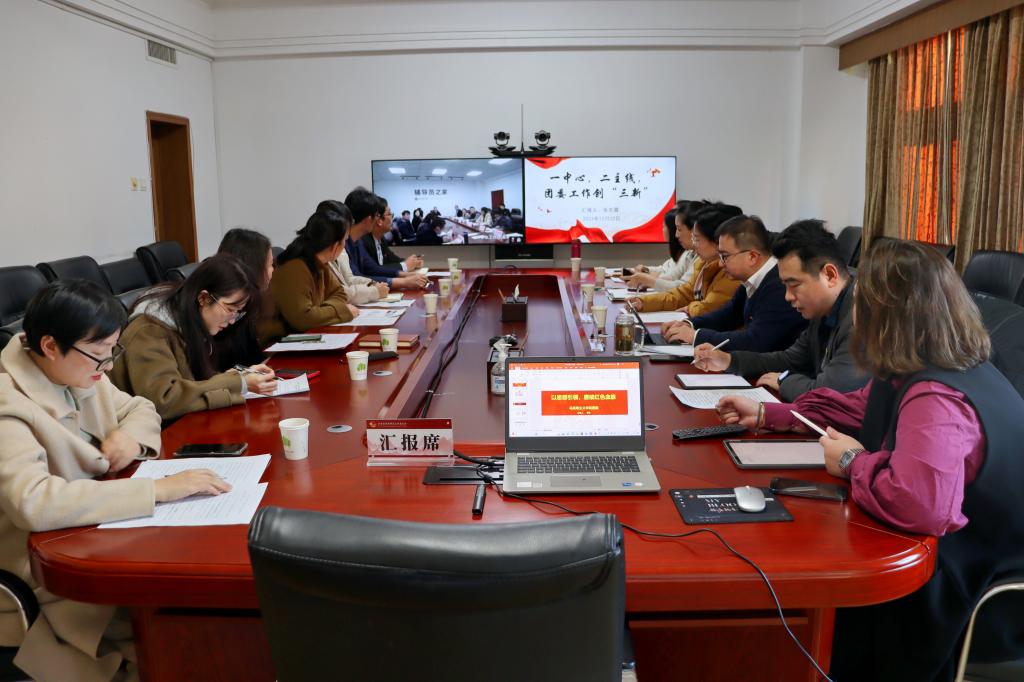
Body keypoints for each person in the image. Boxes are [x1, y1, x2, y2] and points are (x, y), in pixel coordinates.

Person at [716, 239, 1024, 681]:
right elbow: (855, 408)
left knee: (835, 605)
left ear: (887, 312)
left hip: (979, 586)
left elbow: (920, 504)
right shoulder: (923, 366)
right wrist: (769, 413)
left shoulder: (938, 396)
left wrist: (852, 461)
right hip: (953, 554)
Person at [0, 281, 230, 681]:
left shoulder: (79, 369)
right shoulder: (8, 406)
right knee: (174, 636)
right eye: (100, 353)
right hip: (47, 569)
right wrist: (156, 489)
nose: (108, 366)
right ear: (50, 346)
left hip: (96, 534)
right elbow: (33, 502)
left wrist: (131, 438)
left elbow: (140, 407)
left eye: (112, 351)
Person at [692, 219, 867, 400]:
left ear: (829, 275)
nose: (787, 296)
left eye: (794, 285)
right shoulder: (822, 309)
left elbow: (827, 395)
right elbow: (790, 360)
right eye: (785, 286)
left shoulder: (862, 319)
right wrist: (728, 360)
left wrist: (784, 381)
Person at [112, 255, 278, 421]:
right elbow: (164, 401)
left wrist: (235, 378)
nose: (232, 320)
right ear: (203, 298)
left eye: (238, 312)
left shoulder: (190, 321)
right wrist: (236, 384)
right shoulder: (149, 331)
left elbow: (193, 385)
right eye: (230, 309)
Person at [662, 214, 807, 351]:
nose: (720, 263)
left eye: (725, 256)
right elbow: (729, 314)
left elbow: (755, 341)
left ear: (752, 257)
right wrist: (689, 324)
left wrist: (695, 336)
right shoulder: (752, 279)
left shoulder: (779, 286)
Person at [628, 203, 742, 317]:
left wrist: (690, 308)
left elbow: (709, 308)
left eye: (697, 239)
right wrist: (644, 302)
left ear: (717, 241)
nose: (694, 244)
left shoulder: (732, 271)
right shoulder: (703, 262)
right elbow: (684, 294)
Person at [269, 207, 360, 337]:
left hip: (304, 335)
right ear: (335, 245)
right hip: (278, 341)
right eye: (345, 240)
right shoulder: (295, 267)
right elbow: (303, 318)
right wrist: (342, 311)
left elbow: (339, 293)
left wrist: (320, 312)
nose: (345, 244)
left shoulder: (320, 262)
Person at [344, 188, 428, 290]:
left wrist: (407, 275)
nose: (377, 219)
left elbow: (373, 268)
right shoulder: (344, 244)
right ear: (369, 219)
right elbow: (357, 278)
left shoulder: (358, 241)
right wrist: (403, 282)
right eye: (376, 215)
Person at [216, 226, 280, 359]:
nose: (272, 270)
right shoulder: (221, 312)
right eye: (270, 264)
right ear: (254, 266)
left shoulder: (250, 302)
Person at [314, 199, 390, 306]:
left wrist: (371, 283)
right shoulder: (316, 256)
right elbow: (338, 292)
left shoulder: (339, 245)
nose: (346, 238)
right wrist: (374, 292)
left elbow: (348, 279)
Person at [627, 200, 705, 291]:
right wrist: (646, 276)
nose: (676, 235)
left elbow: (681, 288)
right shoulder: (690, 253)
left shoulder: (701, 257)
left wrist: (648, 280)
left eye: (679, 229)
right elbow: (670, 275)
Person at [358, 199, 424, 276]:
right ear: (379, 220)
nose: (392, 218)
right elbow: (374, 270)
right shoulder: (364, 241)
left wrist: (412, 262)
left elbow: (392, 259)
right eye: (389, 214)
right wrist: (405, 265)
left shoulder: (381, 239)